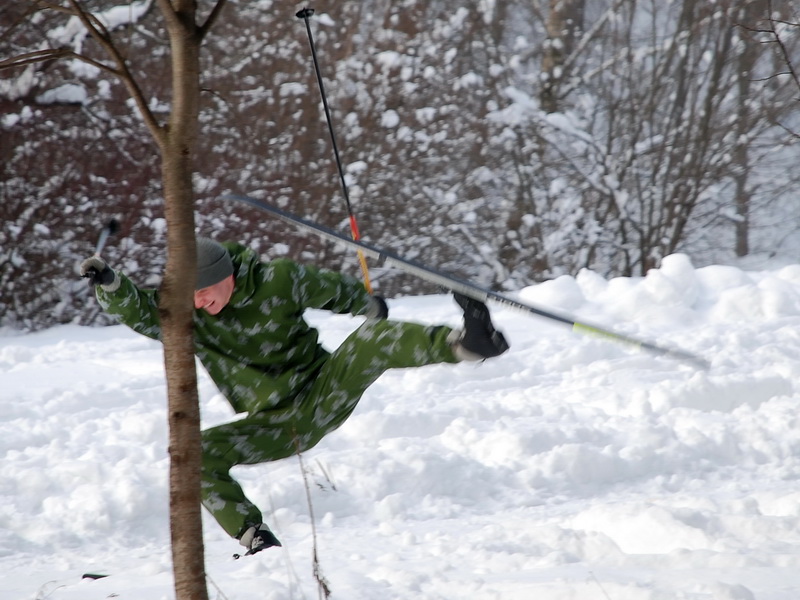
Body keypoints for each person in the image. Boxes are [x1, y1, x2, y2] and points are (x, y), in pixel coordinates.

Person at [80, 237, 509, 556]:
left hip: (322, 388)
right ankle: (254, 537)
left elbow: (330, 288)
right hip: (275, 423)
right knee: (193, 452)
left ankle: (469, 343)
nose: (198, 301)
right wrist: (111, 283)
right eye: (190, 295)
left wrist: (365, 303)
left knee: (371, 340)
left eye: (204, 290)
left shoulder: (278, 280)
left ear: (226, 276)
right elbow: (139, 310)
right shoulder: (191, 317)